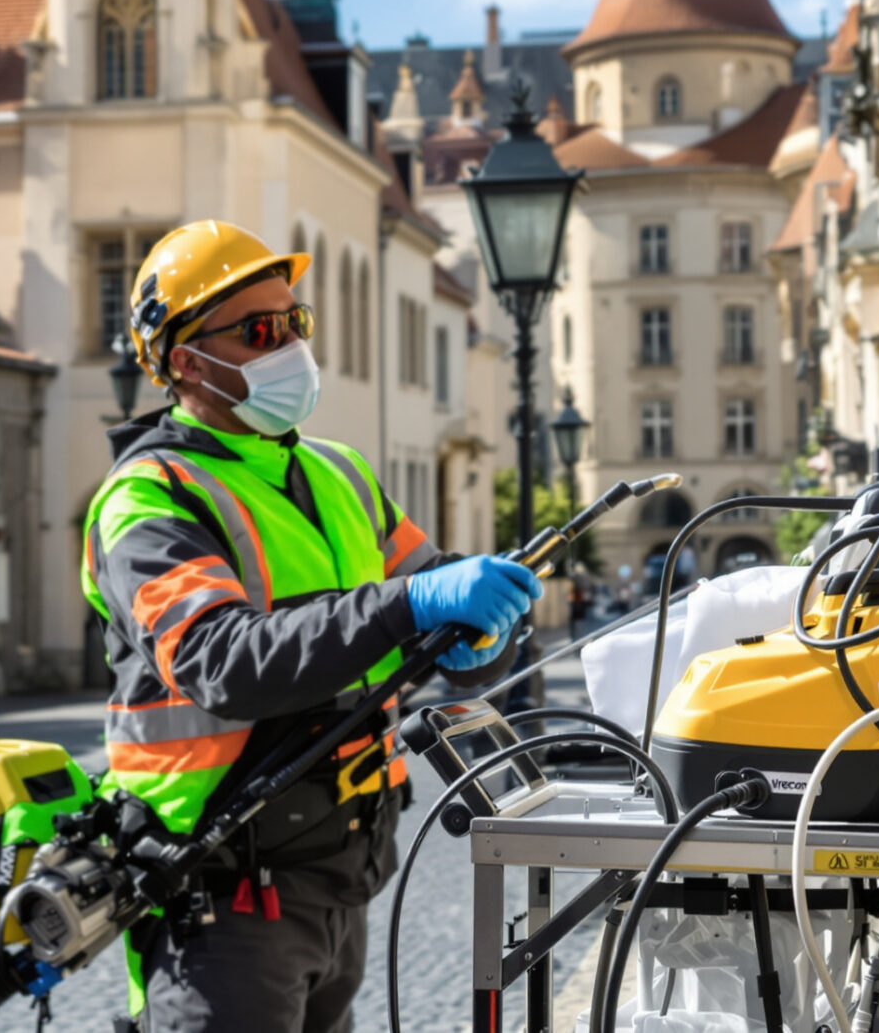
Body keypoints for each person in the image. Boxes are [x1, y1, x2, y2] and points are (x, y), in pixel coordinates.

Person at [82, 220, 543, 1033]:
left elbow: (428, 602)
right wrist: (416, 605)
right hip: (219, 892)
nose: (291, 344)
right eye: (261, 331)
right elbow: (221, 660)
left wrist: (481, 626)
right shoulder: (148, 498)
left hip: (340, 872)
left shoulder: (340, 473)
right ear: (186, 360)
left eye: (297, 322)